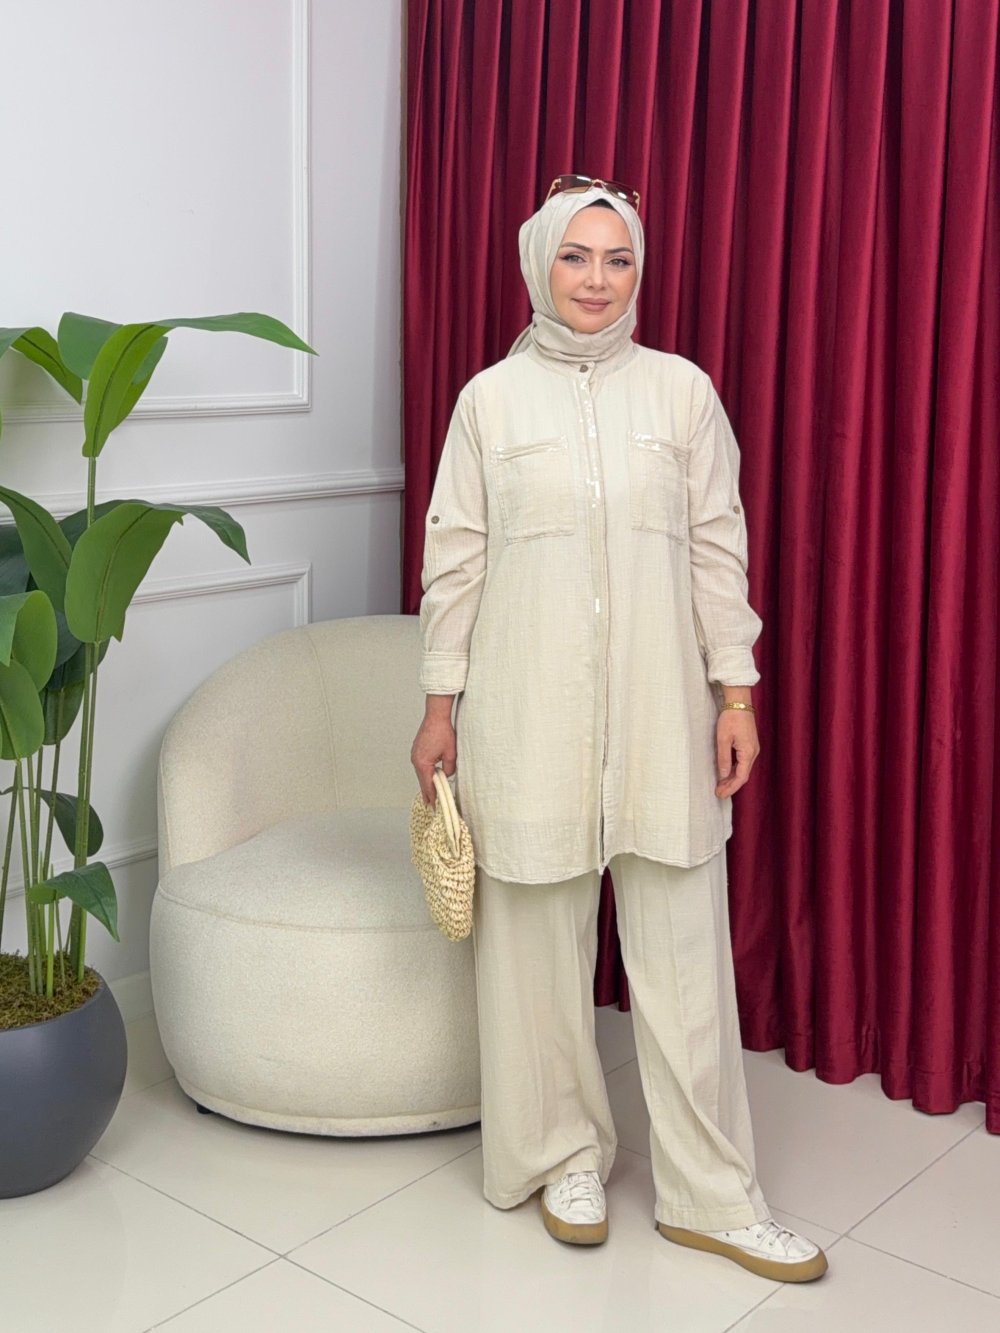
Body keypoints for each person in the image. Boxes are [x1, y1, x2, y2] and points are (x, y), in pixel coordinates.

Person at [410, 176, 828, 1284]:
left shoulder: (682, 394)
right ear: (538, 263)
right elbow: (456, 561)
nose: (597, 280)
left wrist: (735, 693)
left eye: (618, 259)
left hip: (662, 712)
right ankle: (562, 1158)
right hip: (525, 705)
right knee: (534, 945)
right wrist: (440, 707)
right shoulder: (489, 404)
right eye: (576, 256)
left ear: (639, 271)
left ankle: (712, 1195)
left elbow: (716, 548)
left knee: (684, 955)